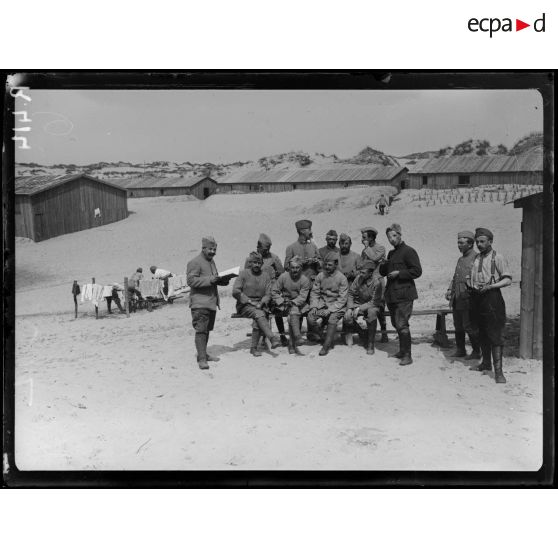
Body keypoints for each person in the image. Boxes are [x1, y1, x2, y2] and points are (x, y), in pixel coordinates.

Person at [468, 227, 512, 384]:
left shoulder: (497, 257)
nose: (479, 244)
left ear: (490, 241)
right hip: (477, 298)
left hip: (493, 298)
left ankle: (499, 373)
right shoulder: (476, 258)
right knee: (481, 332)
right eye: (477, 242)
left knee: (495, 334)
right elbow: (472, 276)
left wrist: (491, 286)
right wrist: (471, 283)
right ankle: (486, 363)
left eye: (482, 241)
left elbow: (507, 279)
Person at [379, 223, 422, 366]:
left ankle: (408, 356)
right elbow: (383, 273)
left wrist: (399, 273)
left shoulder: (409, 251)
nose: (392, 239)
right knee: (396, 324)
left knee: (402, 324)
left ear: (400, 235)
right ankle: (402, 351)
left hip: (404, 294)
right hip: (392, 295)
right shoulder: (391, 253)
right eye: (389, 237)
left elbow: (417, 271)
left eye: (394, 236)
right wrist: (384, 264)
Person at [186, 236, 231, 370]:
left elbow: (213, 279)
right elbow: (191, 281)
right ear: (203, 248)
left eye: (214, 249)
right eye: (210, 249)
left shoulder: (212, 262)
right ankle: (202, 359)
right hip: (200, 303)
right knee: (201, 331)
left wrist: (223, 281)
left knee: (207, 331)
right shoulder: (195, 262)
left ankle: (204, 354)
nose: (212, 252)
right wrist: (212, 280)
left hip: (211, 303)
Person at [233, 252, 282, 356]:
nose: (256, 265)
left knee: (258, 316)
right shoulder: (243, 274)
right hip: (245, 305)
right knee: (259, 314)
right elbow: (236, 291)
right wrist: (250, 301)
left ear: (262, 264)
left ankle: (253, 348)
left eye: (259, 263)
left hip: (261, 305)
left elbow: (269, 293)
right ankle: (272, 338)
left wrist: (263, 302)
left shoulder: (265, 276)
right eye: (254, 262)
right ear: (250, 263)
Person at [244, 233, 287, 346]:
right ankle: (265, 337)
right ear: (258, 247)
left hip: (272, 290)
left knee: (277, 307)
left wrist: (275, 283)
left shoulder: (274, 258)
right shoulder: (251, 259)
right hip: (256, 293)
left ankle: (281, 334)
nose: (267, 251)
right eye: (265, 249)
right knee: (262, 309)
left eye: (269, 249)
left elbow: (282, 274)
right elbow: (247, 276)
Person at [445, 231, 480, 359]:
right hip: (457, 297)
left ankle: (477, 351)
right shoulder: (460, 259)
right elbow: (455, 277)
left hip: (468, 298)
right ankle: (461, 350)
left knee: (469, 325)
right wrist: (450, 290)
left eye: (461, 243)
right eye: (458, 243)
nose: (459, 245)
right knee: (458, 325)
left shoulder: (477, 258)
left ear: (470, 244)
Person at [307, 252, 348, 356]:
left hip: (337, 307)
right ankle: (324, 337)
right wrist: (314, 306)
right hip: (322, 305)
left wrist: (330, 310)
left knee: (332, 319)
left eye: (330, 265)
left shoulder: (342, 278)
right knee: (310, 318)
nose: (327, 267)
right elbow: (315, 292)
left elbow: (342, 299)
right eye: (325, 264)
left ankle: (326, 346)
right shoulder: (320, 276)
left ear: (336, 264)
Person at [271, 255, 311, 355]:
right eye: (293, 267)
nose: (295, 270)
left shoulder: (305, 280)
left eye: (297, 267)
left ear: (301, 268)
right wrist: (281, 300)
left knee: (294, 311)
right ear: (289, 268)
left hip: (298, 304)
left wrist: (293, 302)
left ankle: (292, 344)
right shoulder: (283, 277)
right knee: (293, 313)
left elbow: (302, 296)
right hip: (284, 303)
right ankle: (296, 338)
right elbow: (274, 291)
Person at [344, 260, 384, 355]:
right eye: (360, 272)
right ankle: (364, 335)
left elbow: (374, 302)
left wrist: (359, 309)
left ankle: (370, 343)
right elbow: (351, 293)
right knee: (347, 316)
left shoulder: (377, 282)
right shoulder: (358, 278)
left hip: (375, 305)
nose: (361, 274)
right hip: (360, 303)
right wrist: (350, 308)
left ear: (370, 273)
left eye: (363, 272)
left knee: (371, 313)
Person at [360, 226, 389, 343]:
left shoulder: (380, 248)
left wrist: (367, 248)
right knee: (368, 307)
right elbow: (363, 263)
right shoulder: (365, 250)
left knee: (380, 307)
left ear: (371, 237)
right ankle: (370, 333)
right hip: (367, 282)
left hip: (378, 281)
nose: (362, 240)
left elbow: (375, 259)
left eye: (364, 237)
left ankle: (384, 332)